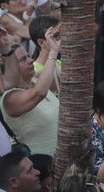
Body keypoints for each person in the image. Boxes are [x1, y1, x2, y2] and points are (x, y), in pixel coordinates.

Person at [0, 24, 60, 155]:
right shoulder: (9, 99)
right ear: (11, 67)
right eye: (23, 59)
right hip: (39, 170)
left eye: (28, 56)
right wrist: (53, 52)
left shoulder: (35, 80)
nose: (31, 60)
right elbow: (39, 93)